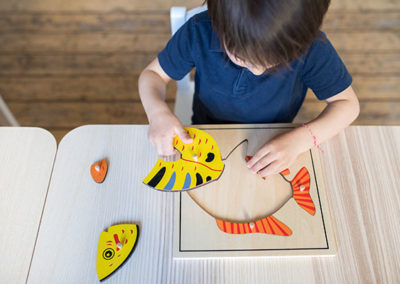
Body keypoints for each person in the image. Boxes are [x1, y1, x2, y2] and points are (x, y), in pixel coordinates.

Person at [138, 0, 359, 177]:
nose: (257, 71)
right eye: (243, 58)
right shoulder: (198, 32)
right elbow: (153, 75)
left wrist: (299, 140)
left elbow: (347, 105)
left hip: (275, 138)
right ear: (218, 24)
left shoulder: (313, 47)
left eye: (274, 62)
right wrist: (157, 112)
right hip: (207, 131)